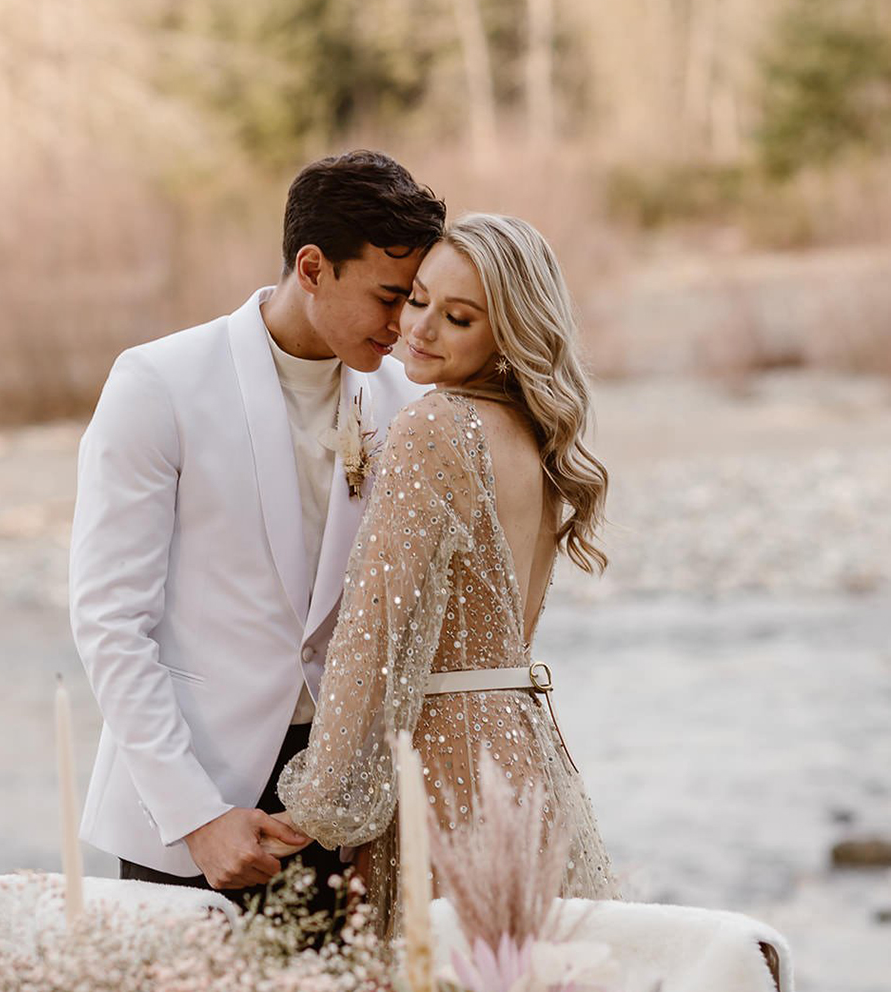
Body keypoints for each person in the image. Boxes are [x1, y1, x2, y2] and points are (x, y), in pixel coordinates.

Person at [69, 150, 445, 914]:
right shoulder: (158, 383)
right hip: (186, 799)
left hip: (346, 811)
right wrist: (196, 816)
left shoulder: (410, 404)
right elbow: (109, 620)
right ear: (312, 268)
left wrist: (382, 808)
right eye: (388, 296)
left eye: (415, 299)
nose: (403, 325)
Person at [276, 213, 620, 932]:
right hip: (525, 754)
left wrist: (319, 809)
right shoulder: (534, 435)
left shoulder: (435, 427)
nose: (419, 329)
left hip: (444, 762)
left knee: (438, 965)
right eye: (417, 299)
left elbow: (370, 634)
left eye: (457, 318)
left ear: (508, 334)